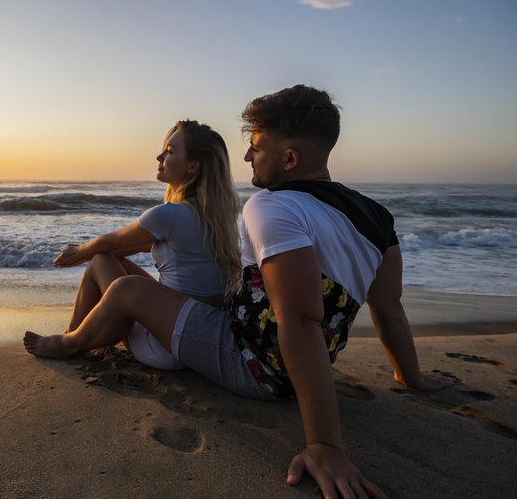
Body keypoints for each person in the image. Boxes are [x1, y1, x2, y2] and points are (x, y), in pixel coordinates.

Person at [24, 85, 455, 499]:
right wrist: (410, 376)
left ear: (289, 158)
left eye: (258, 145)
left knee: (128, 289)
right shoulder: (378, 216)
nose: (248, 155)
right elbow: (388, 307)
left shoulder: (274, 206)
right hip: (289, 368)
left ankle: (70, 342)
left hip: (248, 361)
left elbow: (299, 318)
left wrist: (325, 445)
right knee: (129, 283)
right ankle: (84, 336)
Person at [30, 119, 242, 369]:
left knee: (101, 262)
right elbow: (122, 247)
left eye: (170, 152)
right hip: (197, 336)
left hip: (162, 348)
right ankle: (76, 335)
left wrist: (78, 251)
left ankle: (70, 339)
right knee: (106, 259)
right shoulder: (218, 215)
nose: (159, 156)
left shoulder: (169, 215)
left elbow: (110, 242)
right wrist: (86, 253)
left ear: (192, 167)